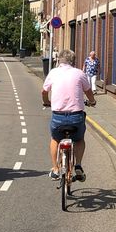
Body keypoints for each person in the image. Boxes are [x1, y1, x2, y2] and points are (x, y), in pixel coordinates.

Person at [42, 48, 95, 181]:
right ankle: (78, 165)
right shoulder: (79, 73)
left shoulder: (53, 73)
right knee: (79, 139)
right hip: (76, 117)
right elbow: (88, 91)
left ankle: (55, 169)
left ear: (59, 60)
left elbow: (44, 91)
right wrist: (92, 101)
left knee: (55, 139)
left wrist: (47, 102)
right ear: (73, 61)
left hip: (58, 117)